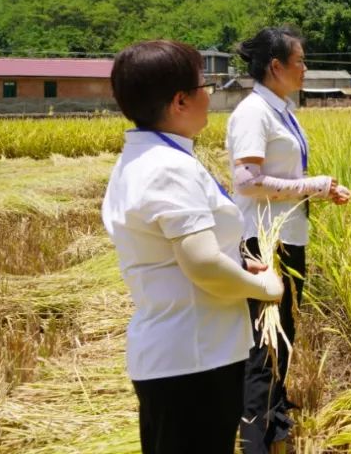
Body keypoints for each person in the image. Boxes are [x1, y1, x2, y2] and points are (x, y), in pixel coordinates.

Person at [102, 40, 284, 454]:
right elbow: (202, 265)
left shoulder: (144, 159)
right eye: (206, 84)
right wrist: (266, 288)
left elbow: (185, 255)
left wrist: (239, 267)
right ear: (180, 100)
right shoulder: (168, 169)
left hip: (181, 354)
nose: (212, 93)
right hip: (195, 359)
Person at [227, 26, 351, 454]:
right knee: (265, 344)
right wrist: (311, 185)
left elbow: (285, 179)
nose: (305, 68)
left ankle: (275, 430)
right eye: (299, 61)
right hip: (263, 243)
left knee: (283, 339)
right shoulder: (252, 113)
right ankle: (255, 442)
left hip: (287, 238)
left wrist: (322, 189)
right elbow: (246, 181)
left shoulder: (282, 110)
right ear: (275, 66)